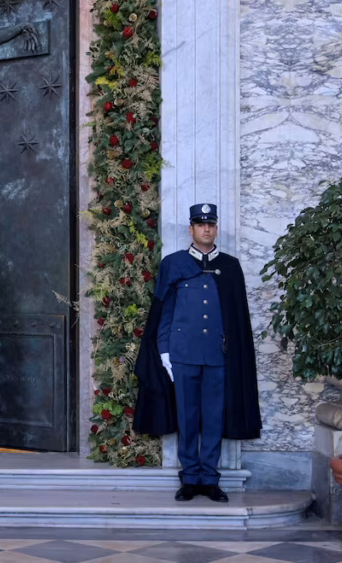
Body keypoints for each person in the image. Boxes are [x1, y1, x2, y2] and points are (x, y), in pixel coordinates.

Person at [133, 203, 261, 502]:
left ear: (215, 229)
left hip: (217, 355)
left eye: (211, 224)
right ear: (191, 229)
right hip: (182, 354)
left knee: (214, 417)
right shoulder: (173, 263)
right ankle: (190, 477)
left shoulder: (229, 266)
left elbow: (236, 316)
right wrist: (164, 351)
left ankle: (210, 478)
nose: (207, 229)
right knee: (187, 417)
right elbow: (163, 312)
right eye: (201, 224)